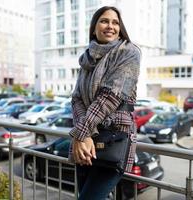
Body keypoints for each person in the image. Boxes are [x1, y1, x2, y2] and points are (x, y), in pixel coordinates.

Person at [68, 6, 141, 200]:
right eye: (104, 21)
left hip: (113, 138)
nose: (110, 26)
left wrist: (79, 134)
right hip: (86, 143)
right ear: (94, 28)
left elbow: (110, 96)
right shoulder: (87, 59)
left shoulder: (129, 52)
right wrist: (85, 136)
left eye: (115, 22)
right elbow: (76, 98)